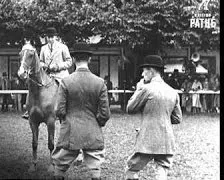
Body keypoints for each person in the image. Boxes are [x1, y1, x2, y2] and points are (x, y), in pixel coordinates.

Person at [52, 43, 111, 180]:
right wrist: (97, 123)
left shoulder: (65, 82)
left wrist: (66, 121)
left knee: (60, 165)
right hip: (92, 132)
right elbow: (105, 113)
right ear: (89, 60)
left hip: (70, 132)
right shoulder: (100, 83)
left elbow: (59, 110)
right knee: (95, 166)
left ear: (73, 60)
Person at [125, 55, 182, 180]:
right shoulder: (173, 91)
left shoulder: (146, 89)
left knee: (132, 169)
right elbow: (177, 118)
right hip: (166, 139)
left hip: (147, 138)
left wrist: (138, 90)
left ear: (151, 71)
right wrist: (163, 117)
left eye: (144, 70)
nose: (142, 73)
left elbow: (130, 108)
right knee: (162, 170)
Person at [22, 27, 73, 119]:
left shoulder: (63, 47)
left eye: (52, 37)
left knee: (66, 88)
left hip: (60, 75)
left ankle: (67, 108)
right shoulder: (43, 48)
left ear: (56, 37)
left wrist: (58, 66)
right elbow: (40, 61)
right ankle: (30, 109)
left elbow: (69, 62)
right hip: (47, 75)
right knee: (33, 85)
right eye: (49, 37)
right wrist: (44, 65)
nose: (50, 39)